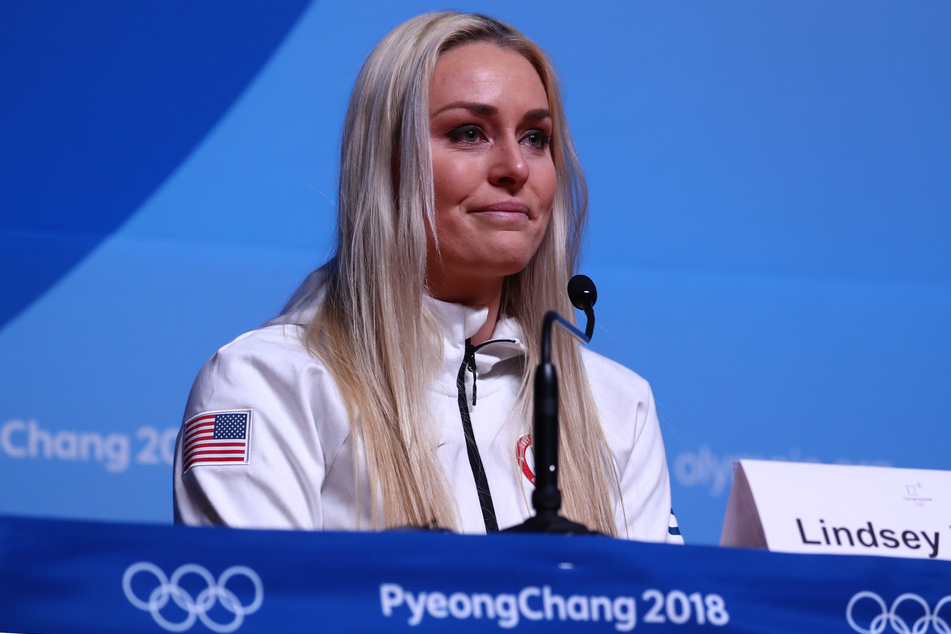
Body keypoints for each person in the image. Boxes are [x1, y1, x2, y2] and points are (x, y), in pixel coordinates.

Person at [174, 11, 682, 543]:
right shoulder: (267, 382)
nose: (516, 166)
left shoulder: (618, 403)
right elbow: (261, 611)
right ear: (385, 164)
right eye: (469, 133)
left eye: (535, 137)